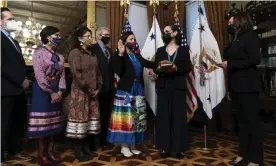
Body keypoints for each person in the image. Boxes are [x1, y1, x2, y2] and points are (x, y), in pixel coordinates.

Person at [107, 31, 165, 157]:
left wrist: (162, 64)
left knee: (137, 118)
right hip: (126, 90)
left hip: (137, 89)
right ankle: (124, 147)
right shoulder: (119, 54)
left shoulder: (137, 55)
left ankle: (133, 145)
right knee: (126, 118)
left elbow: (149, 64)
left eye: (134, 39)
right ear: (124, 41)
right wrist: (121, 54)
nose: (133, 41)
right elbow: (118, 70)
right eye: (130, 39)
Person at [218, 12, 263, 166]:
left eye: (232, 22)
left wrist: (230, 64)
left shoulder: (250, 36)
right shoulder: (236, 39)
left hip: (248, 87)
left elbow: (255, 59)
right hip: (236, 87)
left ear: (241, 21)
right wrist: (230, 89)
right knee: (242, 124)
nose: (229, 24)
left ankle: (256, 159)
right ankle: (243, 154)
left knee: (252, 123)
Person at [27, 26, 66, 165]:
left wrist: (60, 91)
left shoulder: (60, 55)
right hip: (43, 91)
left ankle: (50, 151)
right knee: (43, 124)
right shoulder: (39, 53)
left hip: (57, 90)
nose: (59, 37)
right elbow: (39, 75)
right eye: (56, 35)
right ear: (48, 37)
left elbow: (62, 75)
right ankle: (41, 154)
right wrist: (51, 92)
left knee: (53, 123)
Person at [153, 24, 192, 159]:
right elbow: (155, 67)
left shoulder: (183, 50)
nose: (165, 34)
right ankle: (164, 147)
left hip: (177, 86)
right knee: (163, 117)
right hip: (163, 86)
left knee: (178, 117)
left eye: (167, 31)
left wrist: (176, 68)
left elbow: (187, 68)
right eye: (164, 32)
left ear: (175, 33)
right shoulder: (160, 50)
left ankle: (179, 148)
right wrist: (159, 68)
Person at [66, 26, 103, 162]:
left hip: (93, 92)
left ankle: (87, 149)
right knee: (80, 121)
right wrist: (88, 89)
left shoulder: (92, 54)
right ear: (80, 38)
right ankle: (78, 151)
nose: (90, 39)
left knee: (89, 121)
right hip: (81, 92)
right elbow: (76, 73)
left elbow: (97, 72)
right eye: (88, 36)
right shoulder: (75, 53)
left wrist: (99, 87)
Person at [1, 7, 32, 163]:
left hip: (19, 89)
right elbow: (3, 66)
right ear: (1, 22)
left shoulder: (13, 41)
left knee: (18, 122)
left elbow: (19, 65)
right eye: (10, 19)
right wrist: (20, 80)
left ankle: (15, 150)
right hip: (5, 89)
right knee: (4, 123)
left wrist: (25, 78)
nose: (14, 22)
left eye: (13, 19)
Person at [88, 27, 114, 148]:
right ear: (99, 36)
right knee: (93, 115)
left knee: (105, 115)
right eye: (105, 34)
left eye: (109, 34)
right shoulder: (91, 49)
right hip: (96, 87)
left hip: (109, 88)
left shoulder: (110, 50)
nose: (108, 36)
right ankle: (93, 143)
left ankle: (104, 140)